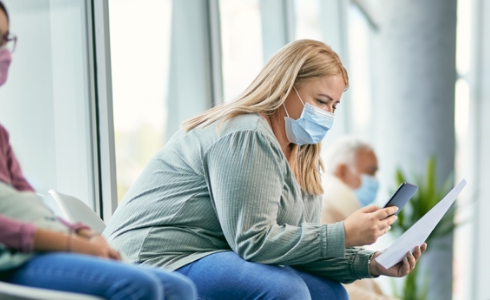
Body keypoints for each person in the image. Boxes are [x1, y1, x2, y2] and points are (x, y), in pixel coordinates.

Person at [103, 39, 426, 300]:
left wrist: (371, 263)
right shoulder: (246, 135)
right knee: (285, 290)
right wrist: (343, 233)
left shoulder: (302, 154)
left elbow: (298, 248)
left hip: (208, 253)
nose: (328, 114)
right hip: (158, 256)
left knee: (330, 294)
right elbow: (253, 242)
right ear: (286, 88)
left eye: (334, 105)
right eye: (321, 100)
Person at [0, 1, 197, 299]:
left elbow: (28, 201)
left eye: (5, 39)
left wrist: (85, 233)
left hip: (30, 247)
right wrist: (75, 245)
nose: (1, 51)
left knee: (179, 286)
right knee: (140, 286)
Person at [321, 137, 395, 300]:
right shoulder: (322, 215)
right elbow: (338, 290)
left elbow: (366, 283)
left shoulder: (347, 216)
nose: (375, 180)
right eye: (370, 171)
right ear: (343, 172)